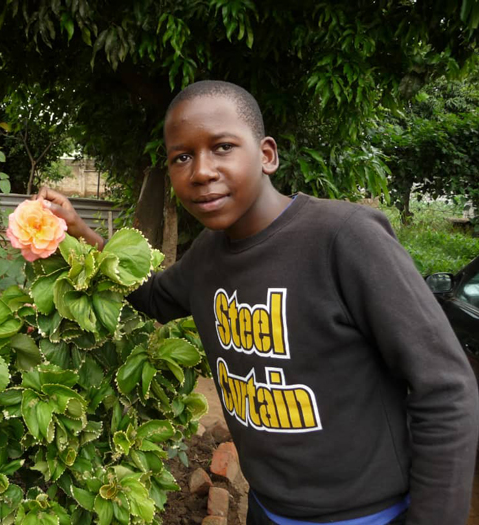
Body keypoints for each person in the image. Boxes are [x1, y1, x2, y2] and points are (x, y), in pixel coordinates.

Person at [37, 80, 479, 524]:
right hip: (268, 509)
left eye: (223, 146)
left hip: (368, 512)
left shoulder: (343, 238)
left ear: (266, 155)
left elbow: (445, 387)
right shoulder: (208, 255)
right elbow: (153, 298)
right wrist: (78, 229)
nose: (201, 171)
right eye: (182, 157)